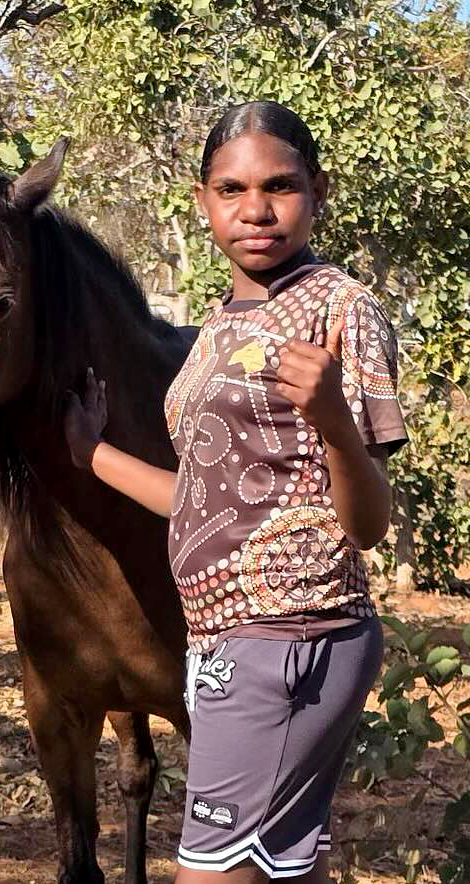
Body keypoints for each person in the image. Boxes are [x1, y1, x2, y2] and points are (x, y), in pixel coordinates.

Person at [64, 101, 408, 883]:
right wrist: (96, 457)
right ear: (203, 199)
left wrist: (331, 420)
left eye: (280, 186)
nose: (256, 211)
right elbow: (205, 499)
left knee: (212, 874)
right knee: (285, 871)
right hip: (234, 642)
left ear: (317, 191)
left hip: (289, 638)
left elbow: (370, 523)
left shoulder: (341, 309)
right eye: (232, 189)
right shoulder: (220, 323)